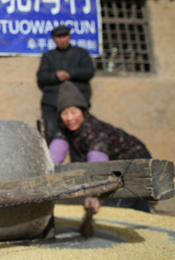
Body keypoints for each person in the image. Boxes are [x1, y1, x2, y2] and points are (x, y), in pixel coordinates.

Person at [48, 81, 152, 213]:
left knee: (116, 208)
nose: (69, 118)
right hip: (117, 168)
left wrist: (93, 193)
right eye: (64, 113)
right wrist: (47, 176)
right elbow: (56, 151)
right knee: (137, 208)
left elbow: (97, 161)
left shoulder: (95, 130)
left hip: (136, 160)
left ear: (84, 112)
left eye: (73, 112)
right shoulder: (64, 129)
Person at [36, 25, 95, 143]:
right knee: (49, 135)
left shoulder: (81, 53)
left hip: (76, 104)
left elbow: (89, 71)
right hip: (51, 103)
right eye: (58, 37)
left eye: (64, 36)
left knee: (80, 137)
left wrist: (70, 74)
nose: (62, 39)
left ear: (69, 36)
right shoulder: (48, 56)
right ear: (54, 39)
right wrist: (55, 76)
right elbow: (41, 76)